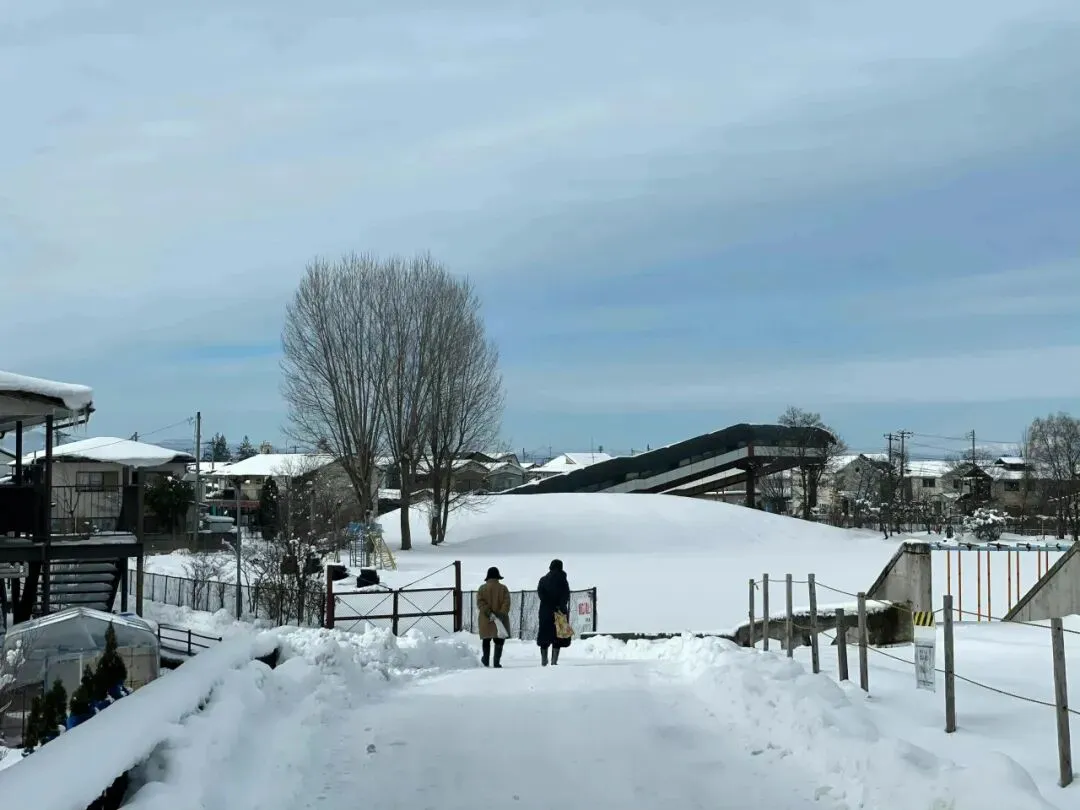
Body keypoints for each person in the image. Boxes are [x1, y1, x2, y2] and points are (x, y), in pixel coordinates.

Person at [536, 558, 571, 666]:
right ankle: (554, 661)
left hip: (545, 611)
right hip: (559, 611)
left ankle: (544, 660)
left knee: (544, 636)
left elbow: (541, 595)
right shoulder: (563, 580)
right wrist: (559, 605)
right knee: (558, 637)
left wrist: (549, 604)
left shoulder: (543, 580)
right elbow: (566, 595)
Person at [477, 566, 511, 668]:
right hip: (500, 620)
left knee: (486, 640)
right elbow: (506, 603)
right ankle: (496, 662)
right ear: (497, 576)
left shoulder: (482, 588)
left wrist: (489, 613)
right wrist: (500, 614)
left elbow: (480, 603)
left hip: (486, 619)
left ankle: (485, 660)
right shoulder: (503, 588)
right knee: (499, 640)